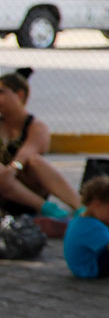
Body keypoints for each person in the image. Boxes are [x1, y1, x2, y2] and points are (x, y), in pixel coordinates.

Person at [0, 67, 83, 234]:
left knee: (35, 161)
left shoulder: (36, 127)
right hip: (3, 191)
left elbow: (26, 154)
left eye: (2, 92)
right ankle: (46, 209)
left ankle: (80, 208)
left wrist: (12, 169)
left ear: (19, 95)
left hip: (27, 191)